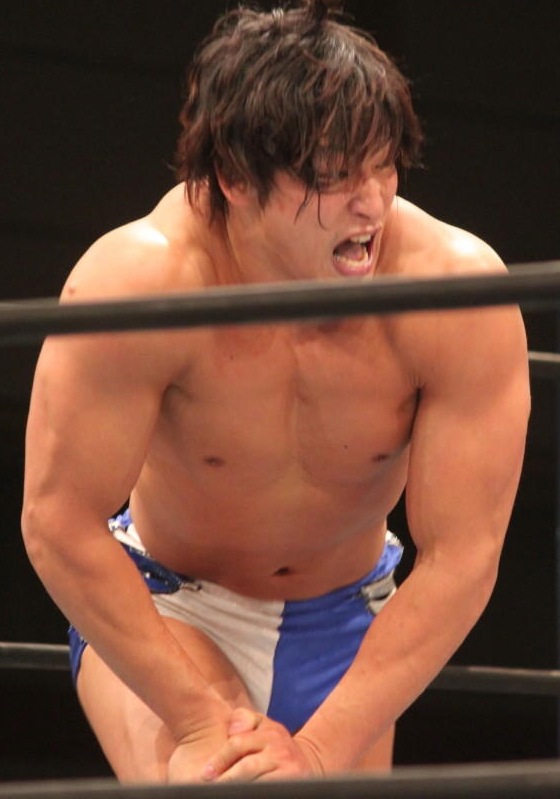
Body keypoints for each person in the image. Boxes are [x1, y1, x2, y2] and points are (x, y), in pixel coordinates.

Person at [21, 0, 530, 785]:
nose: (371, 202)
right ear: (234, 179)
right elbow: (56, 519)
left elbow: (466, 554)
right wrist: (199, 721)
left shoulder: (453, 292)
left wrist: (320, 749)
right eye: (333, 176)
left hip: (350, 621)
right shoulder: (144, 282)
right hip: (172, 608)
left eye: (384, 165)